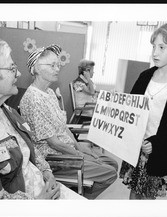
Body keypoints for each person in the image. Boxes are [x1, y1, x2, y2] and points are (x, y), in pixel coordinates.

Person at [0, 36, 84, 200]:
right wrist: (37, 203)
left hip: (41, 186)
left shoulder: (7, 111)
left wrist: (47, 172)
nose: (19, 73)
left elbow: (30, 148)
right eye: (11, 68)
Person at [19, 45, 118, 199]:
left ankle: (78, 197)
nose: (57, 69)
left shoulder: (49, 92)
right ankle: (79, 202)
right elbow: (54, 143)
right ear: (36, 69)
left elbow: (63, 127)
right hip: (57, 159)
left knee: (113, 164)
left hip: (67, 150)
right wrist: (80, 154)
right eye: (52, 65)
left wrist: (80, 147)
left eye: (58, 65)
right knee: (110, 173)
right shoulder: (33, 99)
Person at [119, 23, 167, 199]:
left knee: (146, 199)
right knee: (133, 196)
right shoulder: (145, 76)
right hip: (136, 149)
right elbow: (129, 109)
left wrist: (157, 143)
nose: (155, 52)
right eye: (154, 47)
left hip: (160, 153)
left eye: (162, 47)